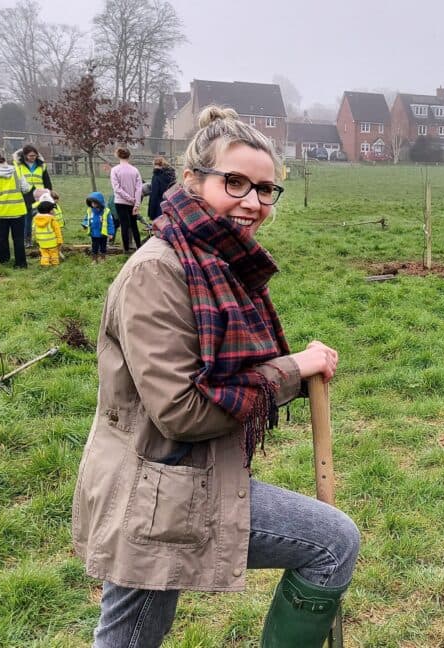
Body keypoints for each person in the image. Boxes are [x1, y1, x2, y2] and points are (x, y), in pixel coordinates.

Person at [72, 106, 360, 648]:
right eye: (235, 182)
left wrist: (293, 370)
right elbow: (181, 410)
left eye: (265, 189)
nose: (253, 202)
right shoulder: (159, 271)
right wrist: (291, 370)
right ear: (191, 180)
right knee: (331, 543)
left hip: (179, 478)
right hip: (156, 490)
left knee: (131, 634)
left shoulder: (215, 260)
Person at [0, 151, 30, 268]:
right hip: (17, 210)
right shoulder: (17, 170)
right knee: (18, 238)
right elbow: (26, 188)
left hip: (0, 211)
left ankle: (4, 260)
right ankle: (21, 263)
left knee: (1, 238)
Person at [14, 144, 53, 244]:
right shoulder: (19, 166)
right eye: (31, 156)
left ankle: (42, 238)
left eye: (35, 155)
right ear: (25, 155)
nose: (33, 158)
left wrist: (49, 192)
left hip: (40, 194)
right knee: (27, 217)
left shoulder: (42, 165)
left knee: (42, 215)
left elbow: (46, 180)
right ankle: (27, 239)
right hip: (26, 193)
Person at [109, 146, 143, 252]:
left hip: (120, 202)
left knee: (124, 225)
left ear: (118, 156)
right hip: (133, 202)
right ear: (129, 156)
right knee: (134, 225)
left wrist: (129, 199)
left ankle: (126, 250)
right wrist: (136, 202)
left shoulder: (115, 170)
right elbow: (139, 188)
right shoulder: (135, 170)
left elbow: (117, 189)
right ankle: (139, 247)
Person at [80, 191, 115, 264]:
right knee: (94, 247)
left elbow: (110, 223)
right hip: (94, 233)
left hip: (103, 234)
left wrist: (111, 233)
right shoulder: (90, 211)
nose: (93, 204)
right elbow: (87, 219)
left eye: (95, 202)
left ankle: (103, 258)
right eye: (92, 202)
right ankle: (94, 259)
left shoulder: (106, 211)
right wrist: (84, 224)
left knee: (103, 247)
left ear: (100, 203)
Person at [32, 193, 63, 267]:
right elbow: (57, 231)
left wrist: (36, 240)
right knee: (54, 253)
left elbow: (34, 231)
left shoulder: (36, 220)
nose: (53, 211)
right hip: (52, 242)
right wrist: (59, 240)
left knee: (44, 254)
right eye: (52, 209)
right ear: (49, 211)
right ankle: (55, 264)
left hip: (42, 242)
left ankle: (45, 264)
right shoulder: (52, 220)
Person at [147, 155, 177, 221]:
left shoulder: (156, 176)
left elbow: (154, 194)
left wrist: (151, 212)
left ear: (154, 164)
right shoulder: (172, 175)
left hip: (159, 206)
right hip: (170, 203)